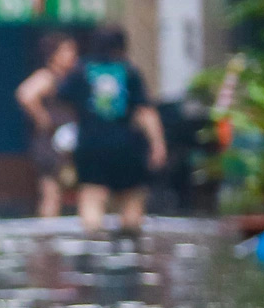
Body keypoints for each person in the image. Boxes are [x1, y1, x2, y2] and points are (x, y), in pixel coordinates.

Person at [57, 26, 166, 235]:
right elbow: (146, 111)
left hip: (91, 144)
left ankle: (94, 253)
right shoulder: (129, 71)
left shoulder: (80, 70)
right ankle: (131, 252)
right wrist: (158, 145)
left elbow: (63, 97)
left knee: (92, 197)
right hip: (126, 145)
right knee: (132, 198)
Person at [15, 32, 81, 218]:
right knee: (51, 192)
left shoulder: (73, 78)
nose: (73, 55)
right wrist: (43, 119)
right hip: (51, 143)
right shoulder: (48, 77)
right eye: (67, 50)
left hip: (72, 141)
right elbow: (25, 94)